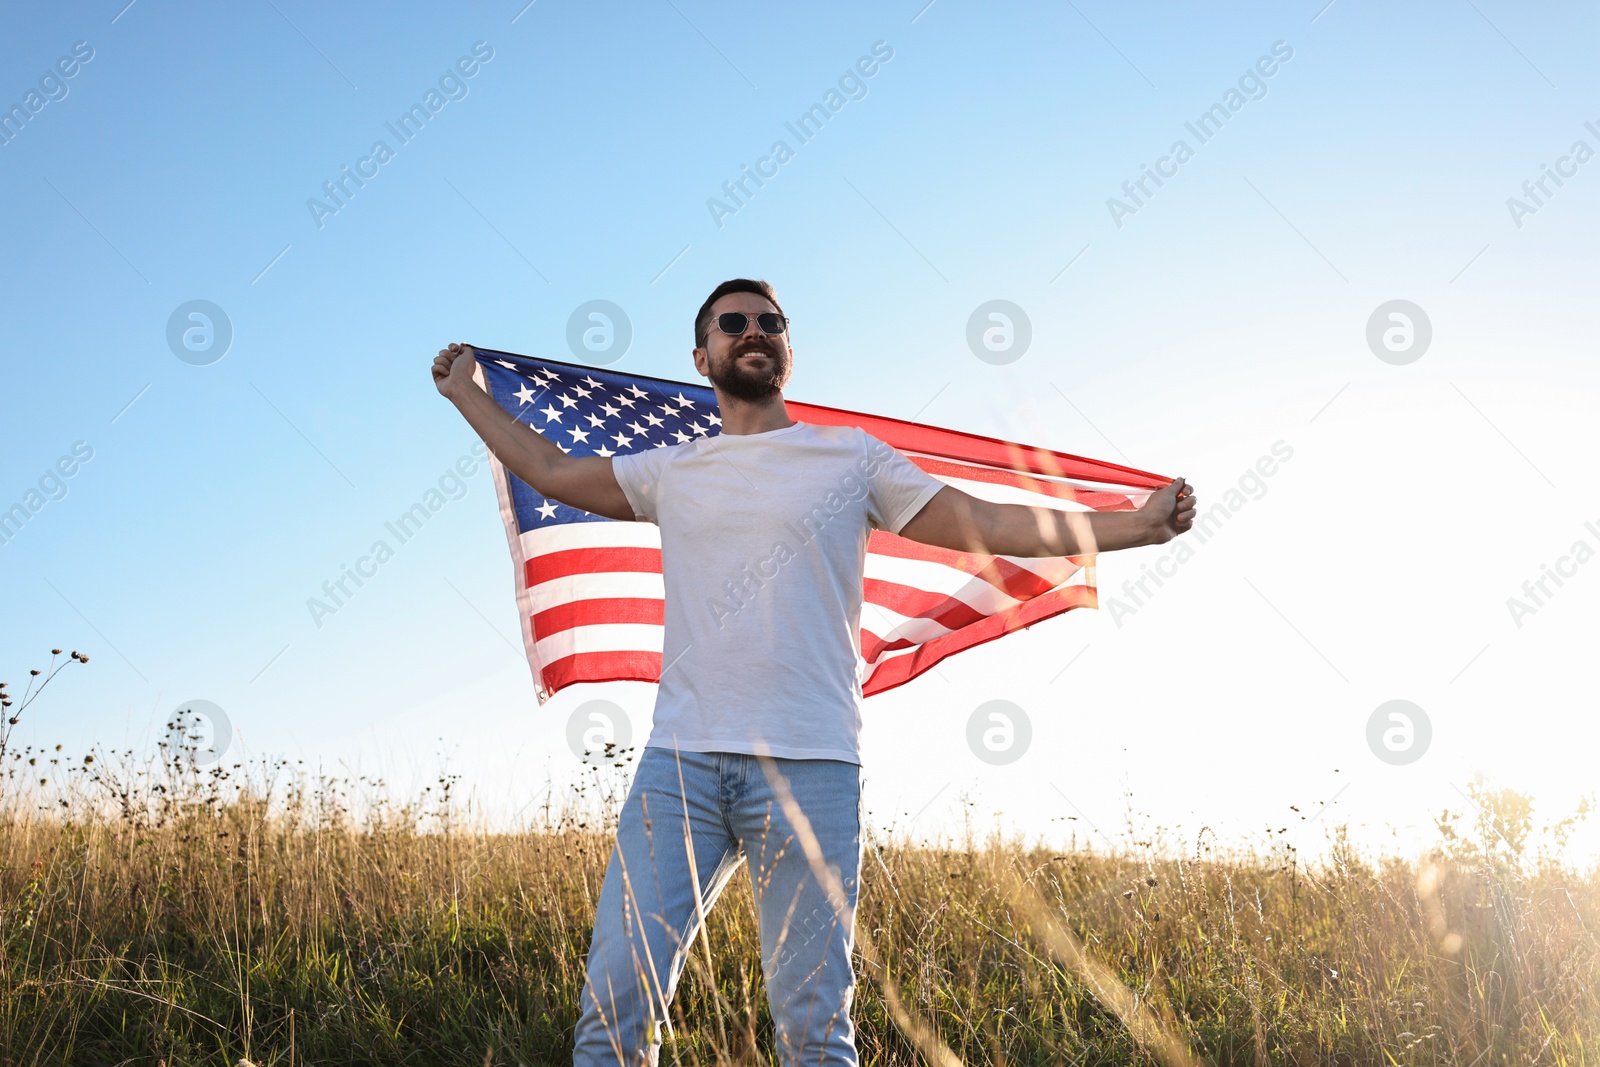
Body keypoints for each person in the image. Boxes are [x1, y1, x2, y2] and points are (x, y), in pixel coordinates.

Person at [431, 278, 1196, 1066]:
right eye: (733, 323)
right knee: (614, 1011)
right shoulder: (674, 469)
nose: (753, 330)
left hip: (811, 769)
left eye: (770, 321)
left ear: (788, 350)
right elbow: (553, 470)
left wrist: (1136, 526)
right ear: (704, 356)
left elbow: (987, 523)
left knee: (813, 1032)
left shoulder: (850, 457)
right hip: (679, 769)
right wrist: (467, 396)